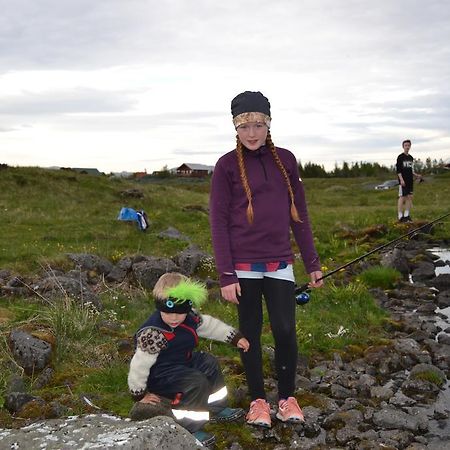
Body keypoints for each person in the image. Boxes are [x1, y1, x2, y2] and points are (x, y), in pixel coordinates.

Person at [209, 91, 323, 429]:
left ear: (268, 124)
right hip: (242, 267)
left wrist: (313, 262)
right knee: (251, 333)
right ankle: (258, 400)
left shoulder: (286, 160)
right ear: (236, 127)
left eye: (258, 124)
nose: (252, 133)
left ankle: (287, 398)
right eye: (245, 126)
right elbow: (218, 221)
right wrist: (226, 275)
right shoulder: (226, 166)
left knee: (286, 330)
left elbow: (299, 215)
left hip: (280, 263)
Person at [127, 272, 250, 447]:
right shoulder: (153, 334)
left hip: (183, 361)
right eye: (168, 313)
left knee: (210, 363)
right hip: (160, 374)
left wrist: (235, 337)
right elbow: (140, 364)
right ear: (159, 307)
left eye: (180, 312)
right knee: (196, 382)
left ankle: (216, 408)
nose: (174, 318)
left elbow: (209, 326)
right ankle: (190, 428)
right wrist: (139, 394)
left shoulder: (191, 318)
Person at [396, 139, 422, 222]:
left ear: (410, 146)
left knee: (409, 197)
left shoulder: (410, 158)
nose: (407, 147)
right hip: (403, 181)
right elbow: (398, 170)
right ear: (403, 147)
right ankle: (400, 216)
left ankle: (406, 215)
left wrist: (416, 175)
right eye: (405, 145)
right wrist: (401, 180)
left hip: (410, 181)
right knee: (402, 197)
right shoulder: (400, 157)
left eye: (408, 145)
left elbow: (411, 170)